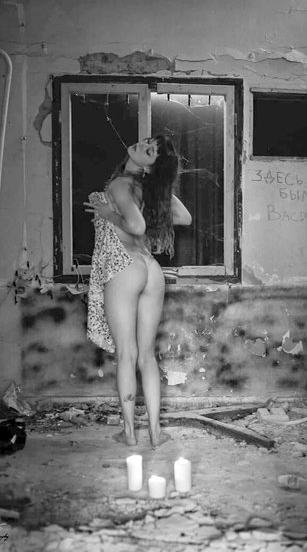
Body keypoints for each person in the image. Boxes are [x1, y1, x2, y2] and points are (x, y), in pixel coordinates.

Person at [84, 135, 192, 448]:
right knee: (146, 355)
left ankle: (130, 433)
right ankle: (156, 433)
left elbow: (137, 227)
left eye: (151, 151)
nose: (143, 146)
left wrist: (109, 214)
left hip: (124, 265)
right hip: (150, 269)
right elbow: (184, 217)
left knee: (127, 355)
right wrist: (159, 188)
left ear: (152, 165)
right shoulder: (147, 188)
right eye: (147, 142)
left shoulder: (120, 184)